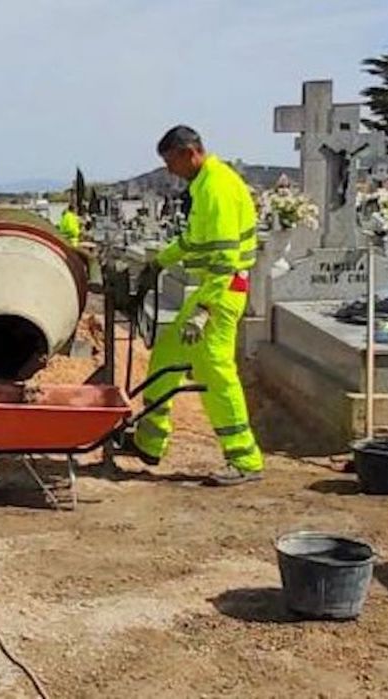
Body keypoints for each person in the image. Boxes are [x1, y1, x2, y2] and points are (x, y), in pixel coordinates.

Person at [120, 125, 263, 486]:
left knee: (215, 371)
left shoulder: (217, 189)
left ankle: (244, 459)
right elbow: (193, 241)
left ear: (190, 153)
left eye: (171, 162)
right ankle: (149, 442)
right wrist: (158, 262)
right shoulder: (203, 185)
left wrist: (204, 310)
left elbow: (226, 258)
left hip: (221, 292)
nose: (170, 170)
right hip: (210, 291)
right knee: (166, 356)